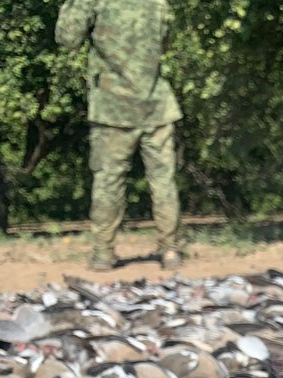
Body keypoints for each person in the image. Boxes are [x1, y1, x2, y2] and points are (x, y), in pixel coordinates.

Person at [56, 0, 183, 272]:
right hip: (156, 104)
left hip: (113, 106)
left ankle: (103, 253)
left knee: (108, 180)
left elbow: (66, 38)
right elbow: (163, 43)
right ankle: (170, 250)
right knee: (163, 180)